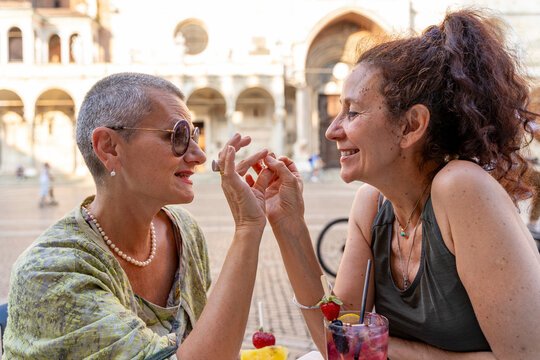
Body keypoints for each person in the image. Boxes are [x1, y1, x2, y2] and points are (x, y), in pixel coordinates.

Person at [260, 10, 540, 359]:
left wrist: (384, 346)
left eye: (352, 112)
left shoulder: (461, 188)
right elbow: (339, 346)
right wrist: (289, 224)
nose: (332, 131)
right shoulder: (372, 204)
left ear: (411, 126)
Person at [4, 73, 274, 359]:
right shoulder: (50, 273)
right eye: (178, 136)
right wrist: (247, 229)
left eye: (193, 136)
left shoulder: (185, 233)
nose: (199, 155)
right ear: (109, 147)